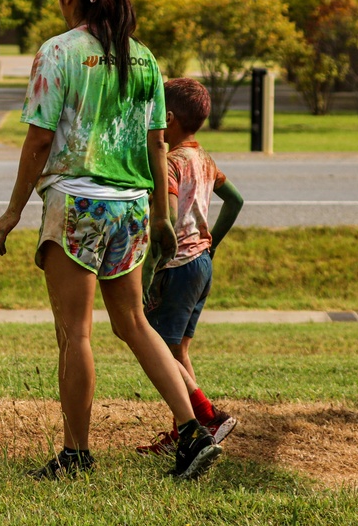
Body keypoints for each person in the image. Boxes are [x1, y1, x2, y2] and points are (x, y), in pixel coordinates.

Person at [0, 0, 222, 482]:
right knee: (135, 324)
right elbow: (157, 142)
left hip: (76, 205)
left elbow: (40, 140)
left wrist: (11, 212)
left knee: (76, 333)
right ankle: (191, 433)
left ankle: (75, 454)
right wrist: (160, 218)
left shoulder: (58, 53)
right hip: (133, 207)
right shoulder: (143, 58)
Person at [138, 77, 245, 456]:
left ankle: (206, 416)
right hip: (201, 265)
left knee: (160, 351)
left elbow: (163, 225)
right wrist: (211, 242)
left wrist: (148, 279)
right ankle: (187, 432)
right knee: (179, 351)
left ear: (167, 117)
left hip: (176, 266)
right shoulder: (204, 159)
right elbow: (235, 201)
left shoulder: (168, 164)